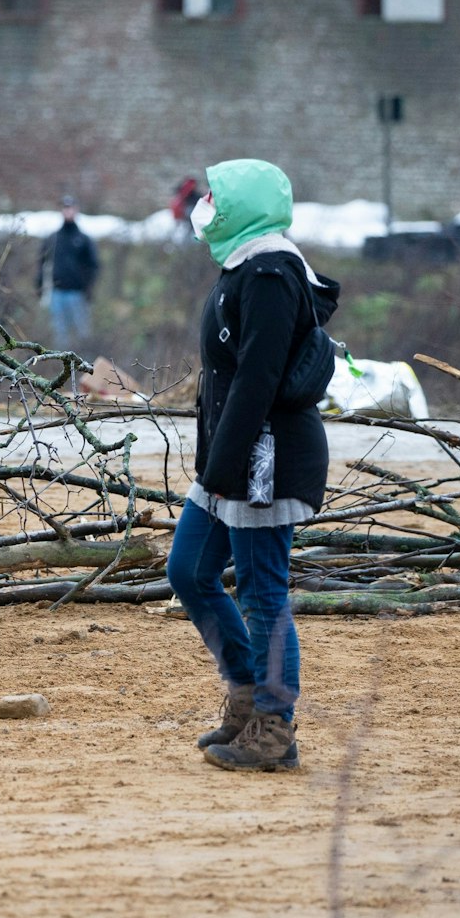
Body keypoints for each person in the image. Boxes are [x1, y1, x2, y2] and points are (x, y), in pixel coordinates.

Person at [166, 160, 339, 772]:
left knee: (264, 596)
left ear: (245, 205)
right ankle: (244, 695)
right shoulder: (241, 263)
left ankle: (274, 727)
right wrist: (216, 467)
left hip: (265, 463)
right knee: (189, 570)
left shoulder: (270, 271)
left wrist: (222, 468)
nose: (207, 205)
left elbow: (258, 381)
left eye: (218, 195)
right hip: (231, 459)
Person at [37, 194, 99, 355]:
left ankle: (85, 363)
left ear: (76, 210)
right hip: (57, 293)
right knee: (60, 334)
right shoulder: (53, 238)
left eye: (71, 208)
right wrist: (40, 287)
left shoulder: (84, 239)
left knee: (82, 332)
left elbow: (93, 266)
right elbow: (42, 263)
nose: (68, 211)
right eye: (65, 208)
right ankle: (61, 364)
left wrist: (88, 288)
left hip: (77, 293)